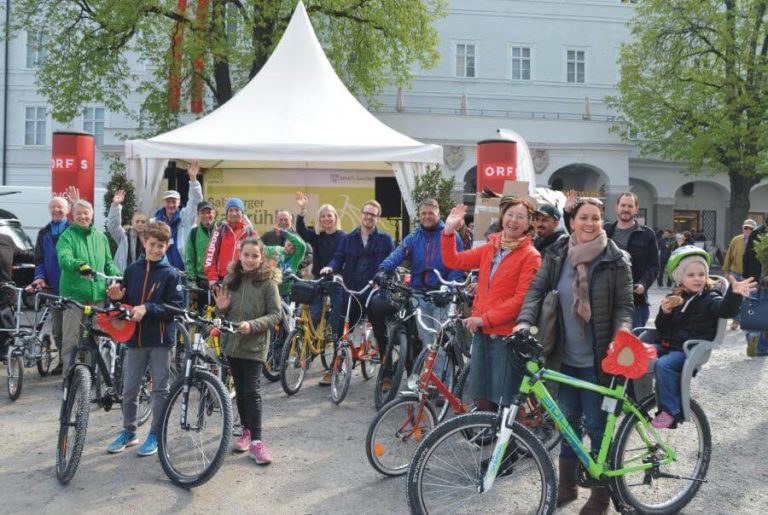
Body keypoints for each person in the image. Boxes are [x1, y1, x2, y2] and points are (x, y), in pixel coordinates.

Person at [516, 197, 633, 515]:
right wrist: (525, 321)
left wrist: (621, 335)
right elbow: (536, 291)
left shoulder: (616, 258)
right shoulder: (556, 254)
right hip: (563, 358)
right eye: (584, 216)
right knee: (567, 423)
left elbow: (624, 306)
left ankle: (600, 498)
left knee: (597, 428)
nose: (590, 223)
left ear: (602, 221)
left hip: (599, 362)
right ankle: (567, 486)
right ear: (573, 220)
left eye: (596, 217)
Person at [442, 199, 541, 413]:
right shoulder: (491, 248)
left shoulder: (531, 256)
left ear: (528, 224)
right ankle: (493, 437)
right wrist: (449, 232)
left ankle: (513, 443)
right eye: (510, 215)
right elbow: (454, 261)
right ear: (502, 218)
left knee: (506, 398)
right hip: (482, 332)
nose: (513, 220)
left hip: (507, 337)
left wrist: (483, 318)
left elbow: (521, 300)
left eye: (520, 217)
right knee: (481, 395)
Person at [652, 246, 755, 429]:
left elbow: (725, 310)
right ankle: (633, 395)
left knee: (664, 365)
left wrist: (734, 293)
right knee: (640, 353)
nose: (697, 278)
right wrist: (665, 313)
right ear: (679, 278)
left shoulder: (709, 298)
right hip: (671, 344)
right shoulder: (676, 297)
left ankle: (671, 411)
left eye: (701, 274)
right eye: (691, 275)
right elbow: (662, 328)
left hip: (689, 350)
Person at [105, 221, 183, 456]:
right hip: (134, 339)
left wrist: (148, 308)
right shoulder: (131, 270)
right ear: (144, 242)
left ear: (167, 246)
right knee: (129, 389)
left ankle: (155, 434)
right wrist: (117, 299)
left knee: (160, 389)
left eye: (161, 245)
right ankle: (130, 431)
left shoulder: (171, 274)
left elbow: (176, 309)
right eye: (152, 244)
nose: (156, 249)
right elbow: (125, 305)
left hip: (160, 340)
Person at [214, 237, 281, 464]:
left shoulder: (268, 282)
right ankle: (246, 431)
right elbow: (221, 311)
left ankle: (257, 442)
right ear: (239, 256)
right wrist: (221, 310)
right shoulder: (231, 279)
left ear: (261, 257)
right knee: (240, 391)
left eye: (255, 255)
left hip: (255, 345)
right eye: (246, 255)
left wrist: (252, 325)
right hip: (233, 345)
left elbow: (275, 315)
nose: (250, 260)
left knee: (252, 391)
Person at [374, 198, 464, 356]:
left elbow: (458, 265)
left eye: (431, 213)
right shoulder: (414, 237)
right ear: (419, 215)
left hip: (441, 296)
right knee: (427, 340)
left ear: (438, 214)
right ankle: (430, 377)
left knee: (441, 341)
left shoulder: (451, 236)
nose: (427, 216)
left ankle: (444, 380)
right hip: (419, 295)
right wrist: (383, 270)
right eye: (423, 213)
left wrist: (448, 288)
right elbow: (397, 254)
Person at [320, 200, 394, 385]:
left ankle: (387, 373)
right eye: (366, 213)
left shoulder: (385, 240)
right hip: (352, 290)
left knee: (380, 332)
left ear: (377, 217)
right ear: (361, 215)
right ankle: (336, 367)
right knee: (341, 331)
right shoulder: (349, 238)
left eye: (373, 214)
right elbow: (338, 259)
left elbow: (392, 263)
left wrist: (383, 278)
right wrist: (330, 268)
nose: (369, 217)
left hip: (373, 292)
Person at [567, 192, 658, 328]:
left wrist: (643, 284)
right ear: (616, 207)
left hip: (636, 303)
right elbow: (579, 234)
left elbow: (653, 266)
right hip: (606, 302)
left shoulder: (647, 234)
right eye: (623, 205)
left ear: (636, 209)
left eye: (630, 206)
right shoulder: (605, 231)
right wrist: (567, 212)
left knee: (629, 346)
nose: (626, 209)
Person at [56, 199, 122, 370]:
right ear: (73, 215)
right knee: (72, 337)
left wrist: (119, 275)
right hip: (74, 296)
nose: (83, 216)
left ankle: (91, 375)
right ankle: (69, 378)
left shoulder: (101, 237)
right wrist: (79, 265)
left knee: (98, 336)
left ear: (92, 215)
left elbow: (108, 263)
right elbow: (64, 258)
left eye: (86, 213)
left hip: (97, 295)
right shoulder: (67, 236)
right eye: (79, 213)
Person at [295, 193, 346, 348]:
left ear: (335, 217)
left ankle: (337, 341)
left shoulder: (343, 237)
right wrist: (302, 211)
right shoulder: (317, 235)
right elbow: (301, 231)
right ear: (319, 219)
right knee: (314, 311)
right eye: (323, 216)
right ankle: (308, 345)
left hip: (336, 279)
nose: (326, 219)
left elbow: (343, 258)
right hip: (319, 278)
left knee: (338, 309)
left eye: (329, 216)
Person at [29, 196, 70, 373]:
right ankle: (62, 361)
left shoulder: (73, 230)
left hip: (72, 288)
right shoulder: (43, 233)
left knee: (73, 330)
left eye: (60, 207)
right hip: (53, 288)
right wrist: (40, 277)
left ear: (67, 209)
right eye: (53, 207)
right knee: (58, 330)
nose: (56, 210)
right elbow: (39, 260)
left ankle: (75, 364)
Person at [153, 160, 203, 271]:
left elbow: (195, 201)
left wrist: (193, 179)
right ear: (164, 203)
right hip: (160, 270)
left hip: (183, 271)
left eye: (174, 201)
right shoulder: (155, 222)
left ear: (179, 203)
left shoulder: (185, 218)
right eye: (168, 201)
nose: (171, 204)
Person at [204, 197, 257, 286]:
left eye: (237, 210)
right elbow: (210, 255)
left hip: (244, 280)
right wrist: (212, 277)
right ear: (227, 213)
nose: (233, 213)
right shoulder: (220, 231)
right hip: (223, 281)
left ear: (242, 212)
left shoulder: (250, 232)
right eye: (230, 210)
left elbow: (259, 256)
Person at [722, 219, 756, 330]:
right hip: (735, 273)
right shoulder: (736, 240)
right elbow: (729, 255)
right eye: (746, 227)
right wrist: (726, 270)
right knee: (734, 298)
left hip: (749, 276)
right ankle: (735, 320)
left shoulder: (758, 241)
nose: (748, 230)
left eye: (751, 228)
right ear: (742, 228)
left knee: (747, 299)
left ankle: (744, 320)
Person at [107, 189, 149, 272]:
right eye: (137, 221)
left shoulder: (150, 239)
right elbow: (113, 226)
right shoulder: (125, 236)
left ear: (146, 224)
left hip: (144, 275)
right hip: (126, 274)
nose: (140, 224)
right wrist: (116, 205)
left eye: (143, 222)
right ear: (132, 223)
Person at [262, 209, 313, 275]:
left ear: (291, 221)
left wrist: (296, 264)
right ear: (276, 221)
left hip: (293, 277)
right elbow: (259, 249)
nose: (283, 222)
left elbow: (310, 255)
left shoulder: (299, 236)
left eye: (286, 220)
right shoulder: (268, 235)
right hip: (272, 275)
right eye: (281, 220)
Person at [184, 200, 220, 291]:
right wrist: (192, 281)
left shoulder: (222, 229)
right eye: (202, 213)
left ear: (214, 213)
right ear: (198, 215)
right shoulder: (194, 233)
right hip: (201, 281)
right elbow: (190, 259)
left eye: (209, 212)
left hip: (219, 280)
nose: (206, 215)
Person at [263, 229, 306, 298]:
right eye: (289, 245)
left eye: (293, 248)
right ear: (285, 242)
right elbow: (259, 248)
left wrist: (285, 234)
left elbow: (302, 246)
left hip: (284, 293)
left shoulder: (295, 257)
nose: (289, 249)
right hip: (270, 291)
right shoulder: (275, 249)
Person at [743, 212, 768, 283]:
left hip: (754, 276)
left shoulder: (755, 233)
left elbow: (746, 255)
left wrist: (745, 274)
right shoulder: (755, 233)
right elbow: (747, 255)